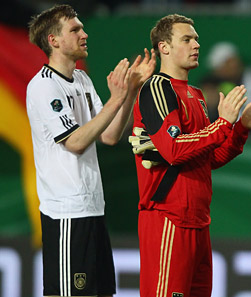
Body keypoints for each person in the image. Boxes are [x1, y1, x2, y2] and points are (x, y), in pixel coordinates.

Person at [130, 14, 251, 297]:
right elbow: (173, 150)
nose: (196, 44)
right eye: (187, 39)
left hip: (197, 221)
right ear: (164, 47)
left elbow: (210, 157)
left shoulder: (194, 93)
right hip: (167, 218)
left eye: (196, 38)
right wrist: (222, 124)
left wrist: (240, 129)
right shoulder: (158, 88)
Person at [26, 4, 156, 297]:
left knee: (101, 293)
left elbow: (109, 135)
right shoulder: (43, 87)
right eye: (75, 29)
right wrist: (117, 98)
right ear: (53, 41)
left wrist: (130, 92)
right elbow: (74, 142)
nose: (84, 34)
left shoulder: (82, 80)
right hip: (66, 214)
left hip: (93, 209)